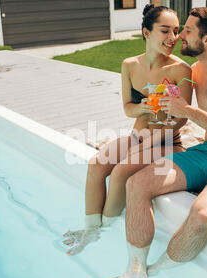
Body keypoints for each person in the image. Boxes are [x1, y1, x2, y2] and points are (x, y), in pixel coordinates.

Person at [93, 7, 207, 278]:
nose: (179, 36)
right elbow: (165, 101)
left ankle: (155, 270)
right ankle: (134, 271)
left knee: (203, 214)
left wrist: (186, 110)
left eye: (186, 30)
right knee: (136, 184)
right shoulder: (194, 71)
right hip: (204, 152)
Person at [62, 4, 193, 255]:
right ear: (146, 32)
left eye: (176, 31)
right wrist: (144, 107)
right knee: (96, 164)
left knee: (121, 172)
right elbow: (127, 108)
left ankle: (102, 232)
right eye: (165, 31)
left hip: (167, 142)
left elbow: (183, 119)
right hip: (137, 136)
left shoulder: (180, 70)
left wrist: (157, 135)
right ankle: (90, 227)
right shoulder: (129, 65)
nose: (173, 38)